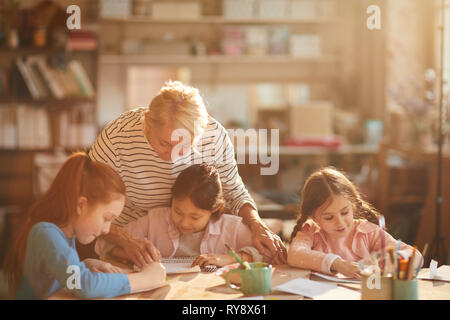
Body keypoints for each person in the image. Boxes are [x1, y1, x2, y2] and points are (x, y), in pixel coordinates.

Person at [89, 80, 286, 267]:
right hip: (124, 240)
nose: (174, 155)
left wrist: (258, 226)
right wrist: (125, 240)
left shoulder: (214, 136)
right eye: (164, 144)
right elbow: (86, 203)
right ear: (147, 123)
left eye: (184, 146)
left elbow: (234, 192)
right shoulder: (117, 138)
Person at [2, 152, 166, 299]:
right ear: (81, 205)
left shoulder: (63, 233)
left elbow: (61, 275)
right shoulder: (46, 234)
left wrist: (86, 264)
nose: (107, 229)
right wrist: (145, 279)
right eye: (106, 218)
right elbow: (82, 285)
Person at [96, 164, 269, 269]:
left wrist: (228, 258)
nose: (184, 222)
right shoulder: (155, 220)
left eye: (195, 217)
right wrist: (132, 255)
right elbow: (103, 243)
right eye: (177, 211)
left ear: (214, 209)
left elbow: (269, 254)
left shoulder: (231, 227)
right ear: (171, 201)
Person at [287, 167, 422, 279]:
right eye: (329, 218)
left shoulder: (368, 232)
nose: (340, 222)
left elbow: (415, 255)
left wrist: (394, 261)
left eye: (345, 212)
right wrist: (338, 264)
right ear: (314, 217)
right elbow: (295, 254)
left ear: (353, 206)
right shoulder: (310, 230)